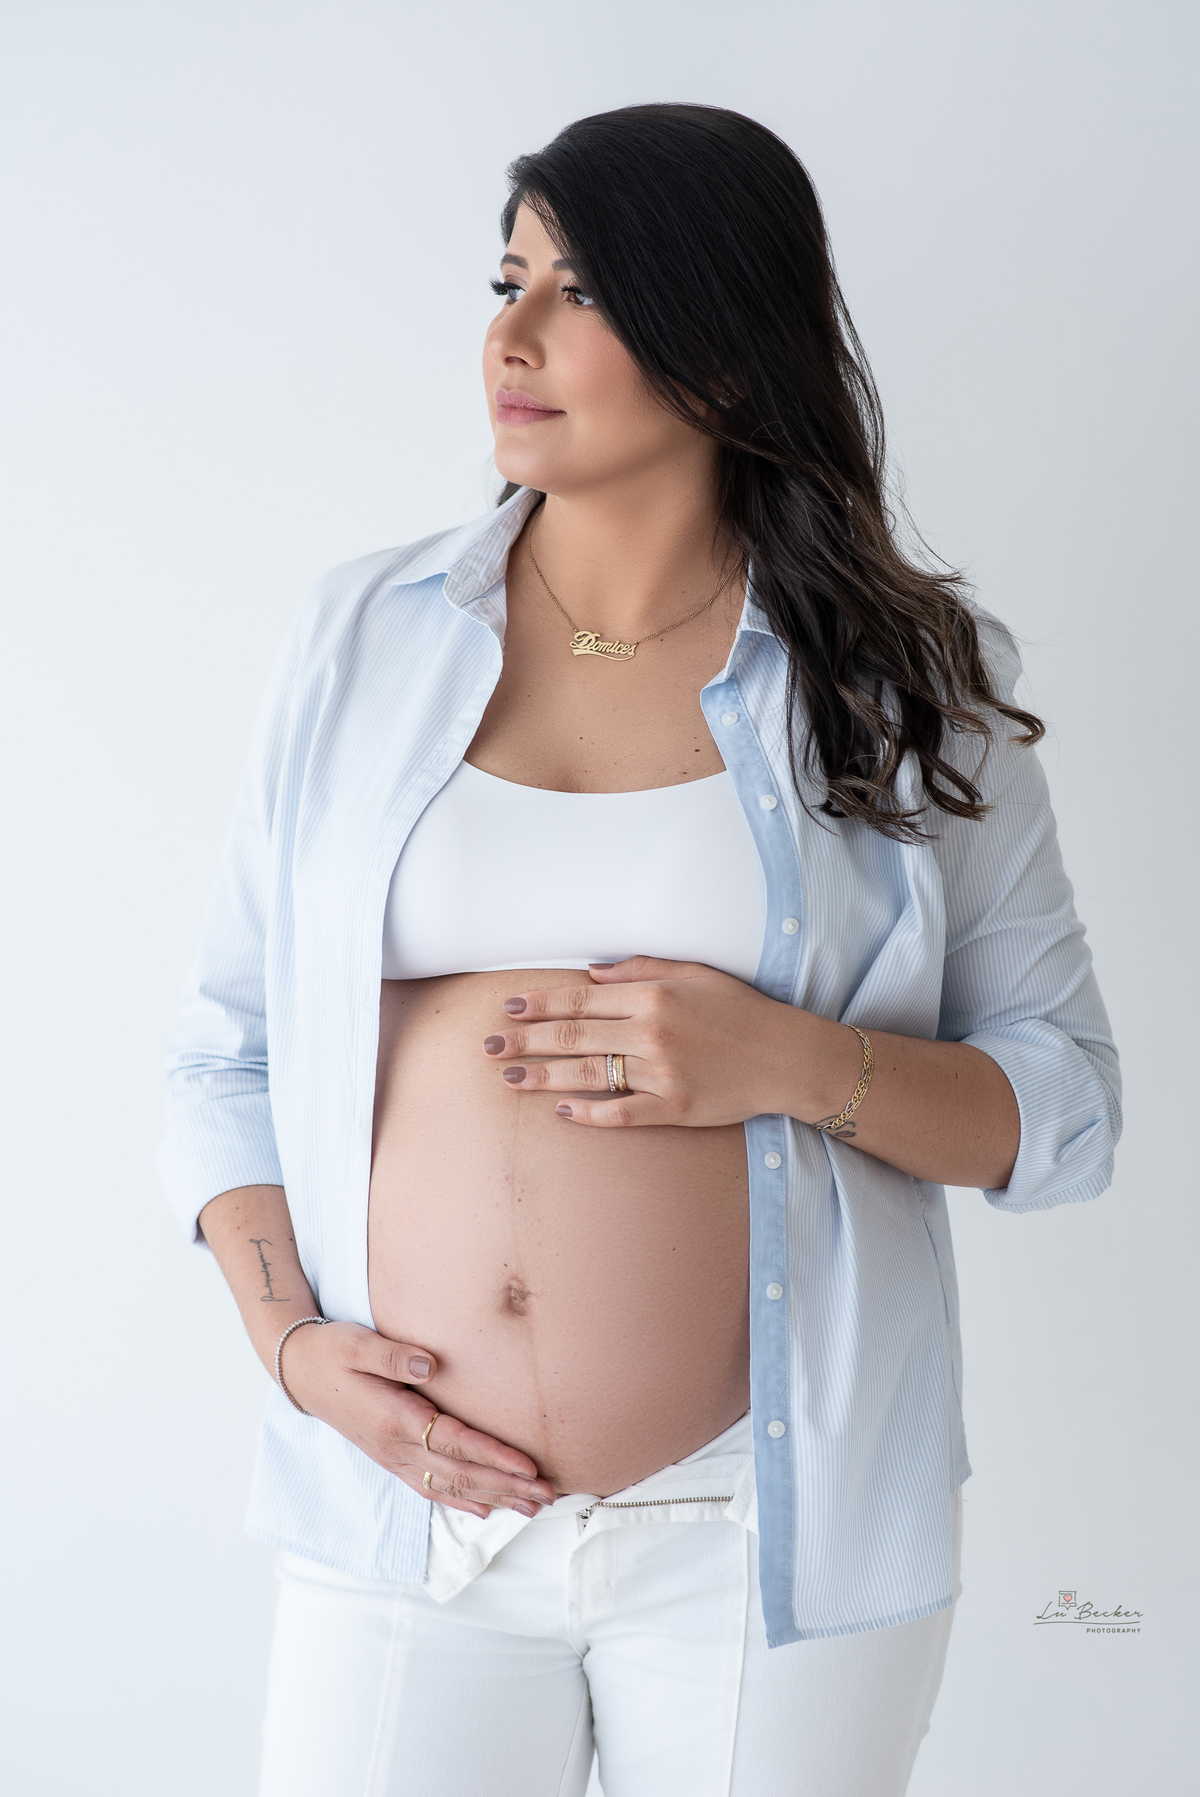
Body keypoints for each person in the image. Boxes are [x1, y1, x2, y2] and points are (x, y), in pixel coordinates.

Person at [158, 103, 1121, 1797]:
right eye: (507, 279)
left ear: (728, 352)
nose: (511, 335)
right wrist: (295, 1354)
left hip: (764, 1524)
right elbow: (226, 1050)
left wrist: (797, 1062)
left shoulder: (902, 687)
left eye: (582, 290)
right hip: (404, 1509)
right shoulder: (362, 636)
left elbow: (1067, 1113)